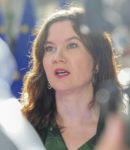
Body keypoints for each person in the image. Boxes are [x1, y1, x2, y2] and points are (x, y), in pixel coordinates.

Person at [20, 7, 124, 150]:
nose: (57, 58)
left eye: (72, 45)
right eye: (50, 48)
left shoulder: (125, 131)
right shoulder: (21, 129)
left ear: (97, 62)